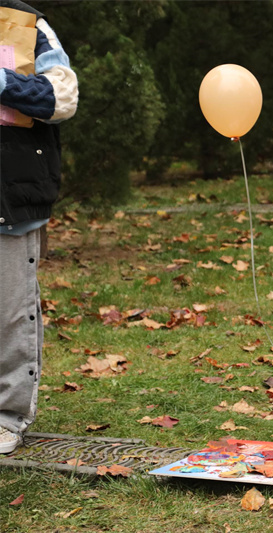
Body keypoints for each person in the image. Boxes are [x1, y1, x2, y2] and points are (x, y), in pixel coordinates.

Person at [0, 0, 78, 454]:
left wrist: (3, 82)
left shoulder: (27, 24)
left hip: (11, 197)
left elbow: (61, 97)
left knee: (10, 313)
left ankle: (7, 417)